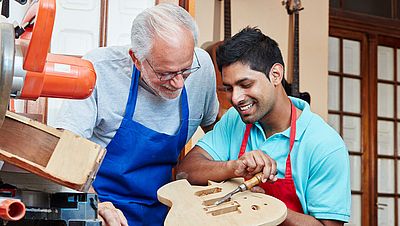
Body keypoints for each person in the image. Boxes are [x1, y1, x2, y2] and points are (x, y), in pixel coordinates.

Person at [54, 3, 219, 226]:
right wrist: (95, 206)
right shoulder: (99, 70)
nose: (179, 82)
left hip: (166, 208)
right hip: (100, 202)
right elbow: (65, 151)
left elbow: (219, 135)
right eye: (166, 73)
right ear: (136, 59)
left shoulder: (203, 68)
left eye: (186, 70)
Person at [176, 27, 351, 225]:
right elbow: (185, 171)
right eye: (229, 88)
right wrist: (234, 167)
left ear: (275, 74)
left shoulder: (324, 145)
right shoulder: (234, 119)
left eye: (246, 84)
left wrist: (264, 205)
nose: (235, 98)